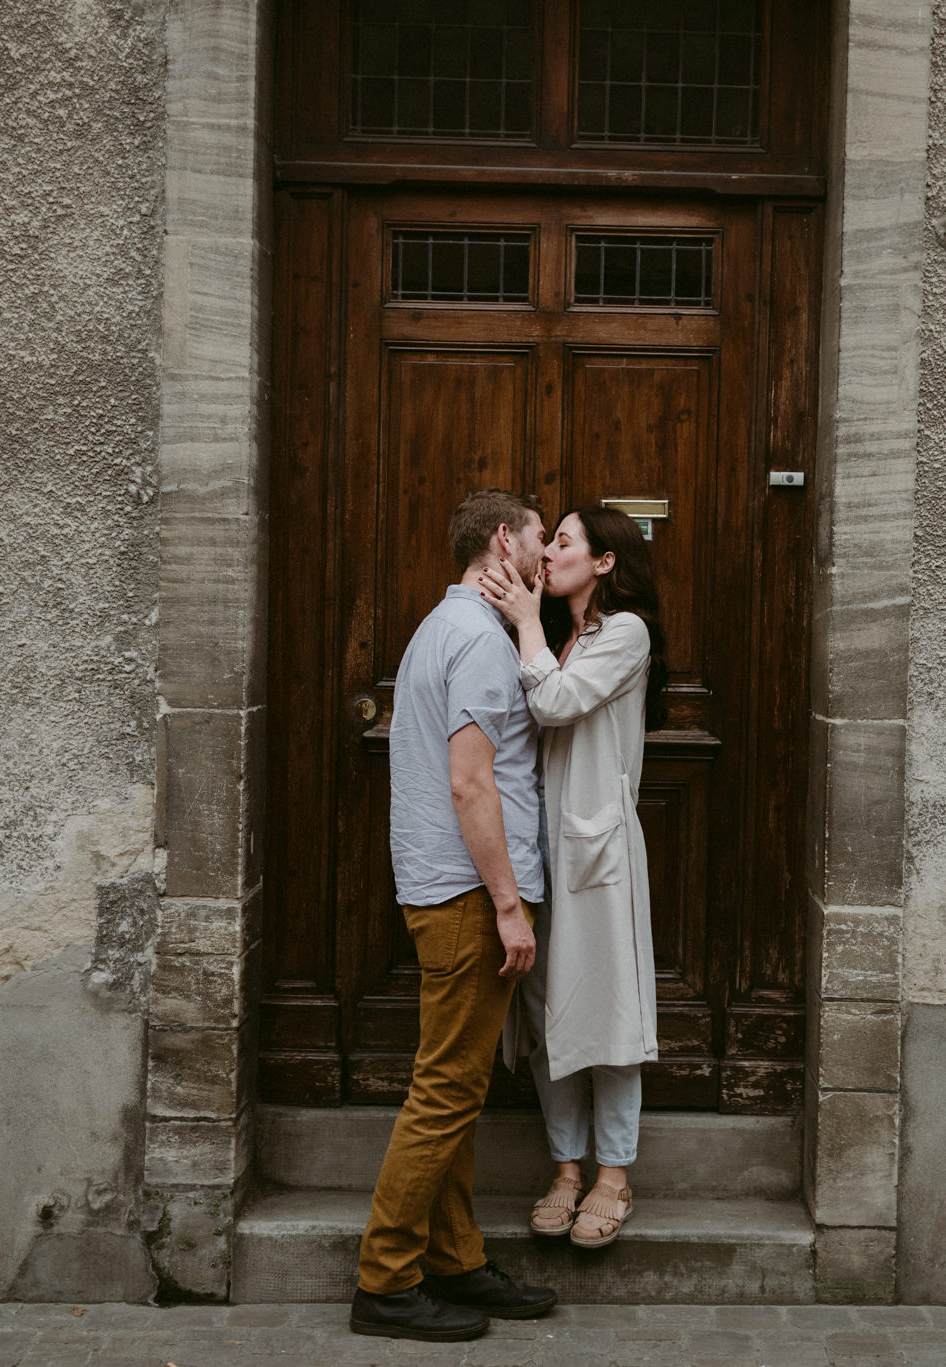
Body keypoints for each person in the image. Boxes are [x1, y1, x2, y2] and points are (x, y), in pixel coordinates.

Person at [348, 488, 561, 1343]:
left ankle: (455, 1256)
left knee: (460, 1086)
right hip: (470, 896)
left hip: (444, 887)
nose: (547, 559)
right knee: (444, 1090)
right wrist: (509, 905)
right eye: (540, 541)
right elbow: (472, 780)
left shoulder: (442, 627)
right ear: (502, 542)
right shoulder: (477, 638)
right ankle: (386, 1276)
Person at [478, 506, 669, 1250]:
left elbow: (555, 704)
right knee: (549, 1010)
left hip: (598, 856)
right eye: (548, 540)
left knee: (610, 1015)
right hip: (544, 854)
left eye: (565, 541)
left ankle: (613, 1175)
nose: (550, 553)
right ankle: (565, 1169)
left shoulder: (626, 633)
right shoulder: (572, 635)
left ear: (606, 562)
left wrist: (524, 620)